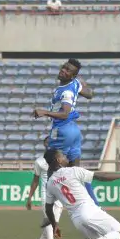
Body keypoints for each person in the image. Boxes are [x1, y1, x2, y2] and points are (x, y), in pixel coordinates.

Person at [32, 59, 100, 206]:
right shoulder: (75, 84)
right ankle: (94, 204)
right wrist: (81, 83)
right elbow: (90, 94)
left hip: (62, 130)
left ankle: (49, 209)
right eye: (64, 67)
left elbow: (64, 114)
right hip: (74, 130)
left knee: (52, 169)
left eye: (68, 70)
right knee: (77, 172)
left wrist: (44, 112)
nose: (63, 70)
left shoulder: (66, 91)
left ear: (72, 75)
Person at [25, 136, 62, 239]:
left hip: (59, 194)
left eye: (52, 142)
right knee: (49, 221)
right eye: (47, 142)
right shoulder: (39, 161)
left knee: (54, 222)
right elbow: (35, 180)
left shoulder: (60, 160)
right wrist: (29, 197)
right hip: (46, 193)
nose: (49, 144)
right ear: (44, 144)